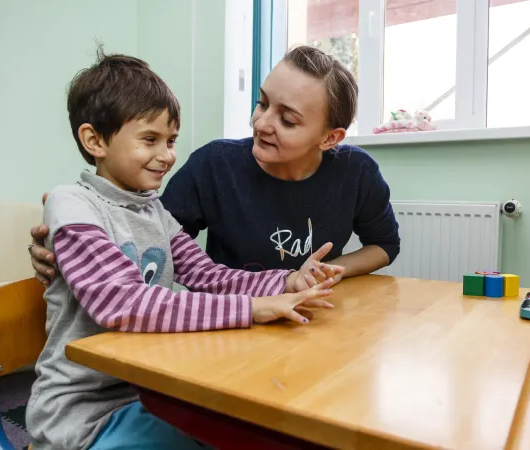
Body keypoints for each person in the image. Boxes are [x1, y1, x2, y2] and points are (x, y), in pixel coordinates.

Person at [28, 49, 341, 450]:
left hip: (149, 389)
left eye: (171, 140)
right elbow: (121, 302)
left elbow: (208, 277)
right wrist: (253, 309)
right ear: (94, 140)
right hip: (82, 412)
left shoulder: (153, 210)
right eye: (150, 140)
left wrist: (287, 280)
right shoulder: (71, 203)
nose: (168, 155)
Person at [29, 45, 400, 287]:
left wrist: (324, 273)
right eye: (262, 103)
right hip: (230, 315)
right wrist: (74, 242)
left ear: (329, 139)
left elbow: (384, 244)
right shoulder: (215, 164)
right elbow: (149, 235)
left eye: (287, 120)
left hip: (303, 303)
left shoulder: (357, 172)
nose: (261, 123)